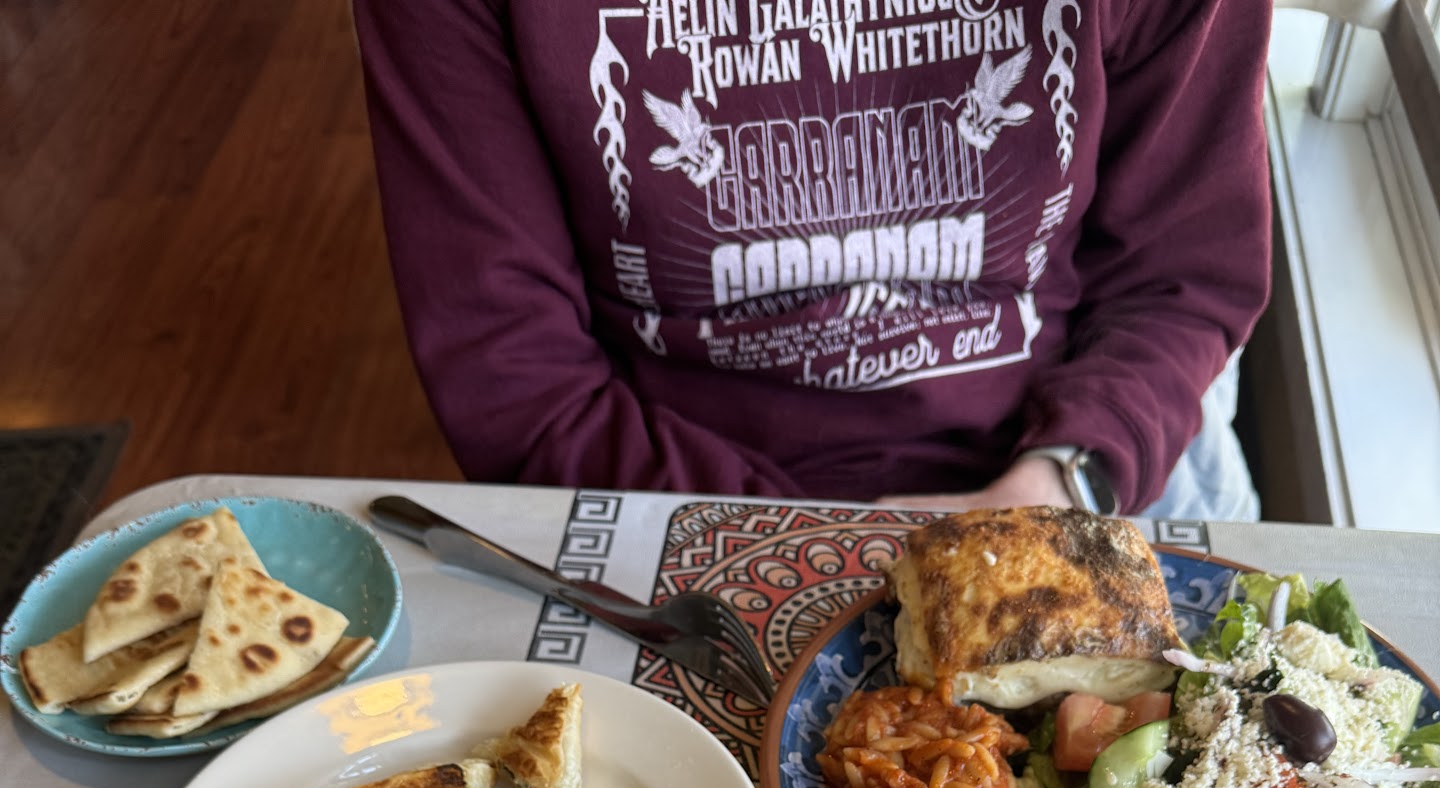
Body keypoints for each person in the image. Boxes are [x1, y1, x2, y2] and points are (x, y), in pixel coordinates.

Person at [353, 0, 1270, 520]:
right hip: (667, 493)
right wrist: (793, 546)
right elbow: (506, 364)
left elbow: (1183, 275)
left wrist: (1065, 479)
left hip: (1082, 464)